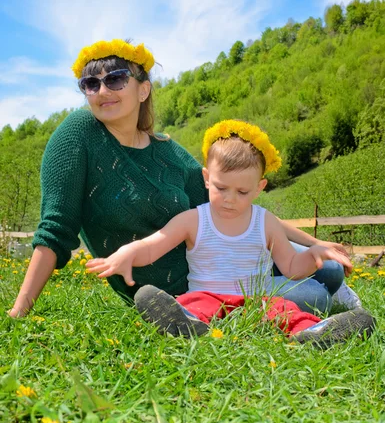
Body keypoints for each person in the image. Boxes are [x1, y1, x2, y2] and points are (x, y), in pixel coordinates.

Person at [7, 38, 357, 319]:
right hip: (179, 291)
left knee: (330, 269)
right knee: (314, 294)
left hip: (230, 262)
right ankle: (310, 305)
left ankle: (331, 291)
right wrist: (21, 307)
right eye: (90, 84)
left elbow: (235, 207)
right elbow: (55, 229)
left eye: (115, 79)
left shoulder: (167, 151)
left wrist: (314, 242)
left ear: (142, 89)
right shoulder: (77, 134)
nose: (102, 91)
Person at [86, 120, 375, 346]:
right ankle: (184, 324)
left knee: (285, 310)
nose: (230, 199)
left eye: (243, 192)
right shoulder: (193, 220)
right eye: (221, 188)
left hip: (258, 300)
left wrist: (312, 255)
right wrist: (126, 253)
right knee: (190, 304)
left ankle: (314, 333)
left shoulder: (266, 222)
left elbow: (290, 267)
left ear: (260, 188)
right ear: (206, 179)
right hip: (208, 295)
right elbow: (152, 246)